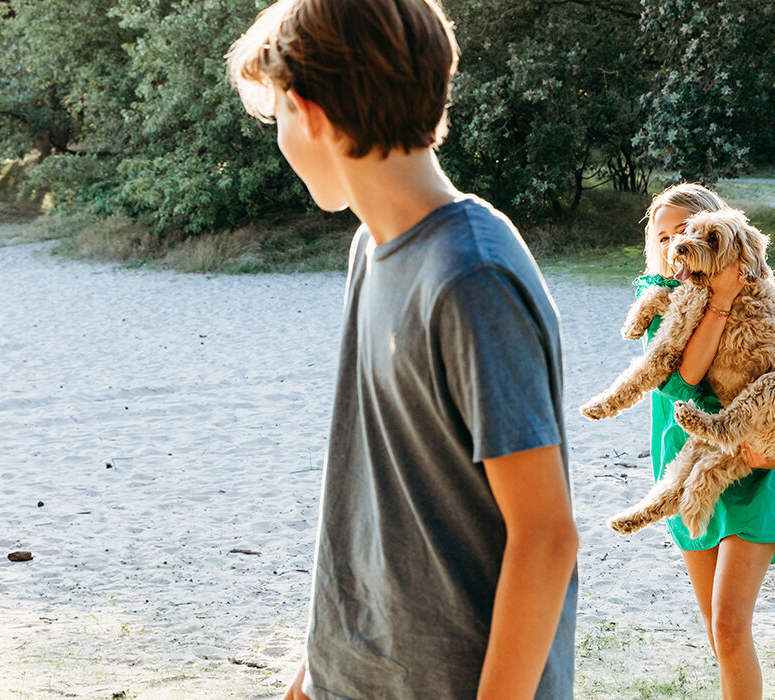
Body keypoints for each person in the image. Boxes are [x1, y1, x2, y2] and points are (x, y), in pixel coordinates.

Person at [226, 2, 579, 699]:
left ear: (310, 111)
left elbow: (545, 537)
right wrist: (318, 666)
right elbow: (376, 489)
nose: (282, 139)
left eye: (278, 121)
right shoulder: (374, 247)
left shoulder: (472, 277)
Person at [635, 183, 775, 699]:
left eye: (684, 234)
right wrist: (720, 301)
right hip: (686, 470)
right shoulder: (657, 301)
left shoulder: (756, 298)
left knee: (731, 627)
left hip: (750, 469)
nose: (674, 246)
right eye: (662, 236)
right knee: (719, 633)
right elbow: (684, 377)